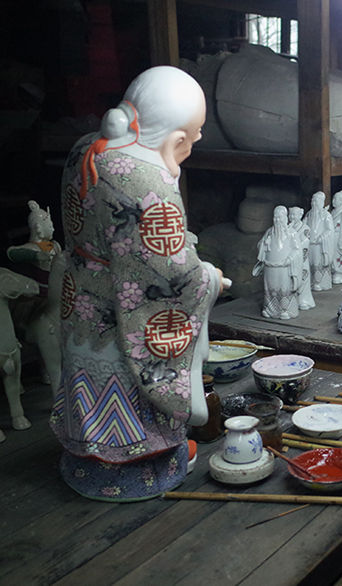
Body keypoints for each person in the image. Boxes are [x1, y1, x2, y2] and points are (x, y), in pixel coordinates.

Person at [52, 66, 224, 500]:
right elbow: (167, 274)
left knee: (86, 385)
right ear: (175, 142)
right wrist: (207, 278)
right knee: (131, 394)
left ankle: (83, 463)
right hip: (118, 312)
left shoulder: (86, 149)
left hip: (81, 301)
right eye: (194, 136)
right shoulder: (146, 184)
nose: (196, 143)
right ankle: (141, 473)